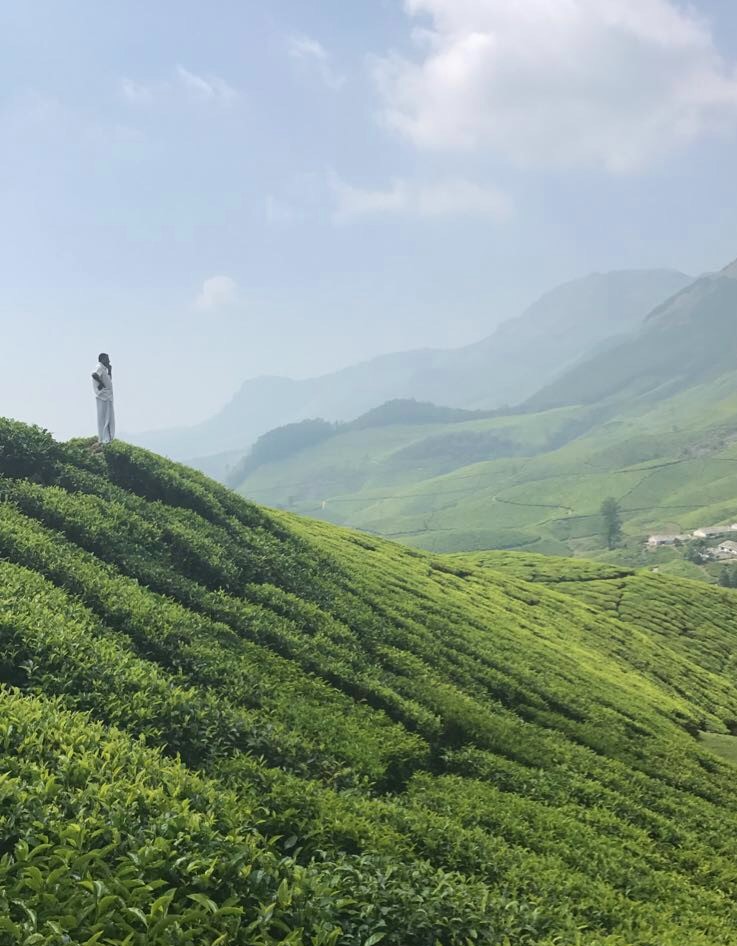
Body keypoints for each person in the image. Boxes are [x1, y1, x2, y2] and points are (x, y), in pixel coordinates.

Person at [91, 352, 115, 446]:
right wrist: (101, 384)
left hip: (107, 396)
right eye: (107, 359)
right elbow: (94, 374)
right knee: (103, 417)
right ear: (102, 359)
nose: (109, 361)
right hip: (103, 396)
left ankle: (107, 437)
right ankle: (104, 438)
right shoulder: (99, 367)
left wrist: (109, 371)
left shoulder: (104, 369)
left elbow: (109, 380)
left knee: (108, 416)